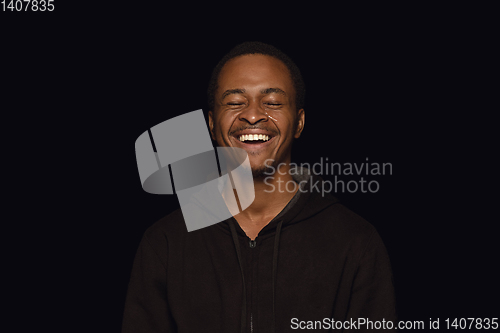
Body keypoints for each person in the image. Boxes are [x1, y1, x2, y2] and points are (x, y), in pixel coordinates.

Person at [122, 41, 397, 332]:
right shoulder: (164, 243)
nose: (252, 115)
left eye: (273, 103)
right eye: (235, 102)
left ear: (300, 123)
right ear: (212, 125)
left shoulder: (356, 241)